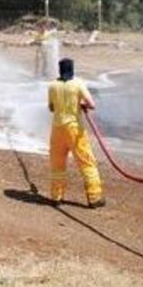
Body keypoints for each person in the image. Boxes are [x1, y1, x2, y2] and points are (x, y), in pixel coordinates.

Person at [47, 58, 104, 208]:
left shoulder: (52, 85)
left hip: (57, 129)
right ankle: (94, 198)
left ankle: (56, 197)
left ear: (59, 70)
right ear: (72, 70)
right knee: (86, 162)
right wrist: (81, 104)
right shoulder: (78, 84)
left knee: (57, 164)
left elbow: (52, 108)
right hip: (74, 129)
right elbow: (91, 105)